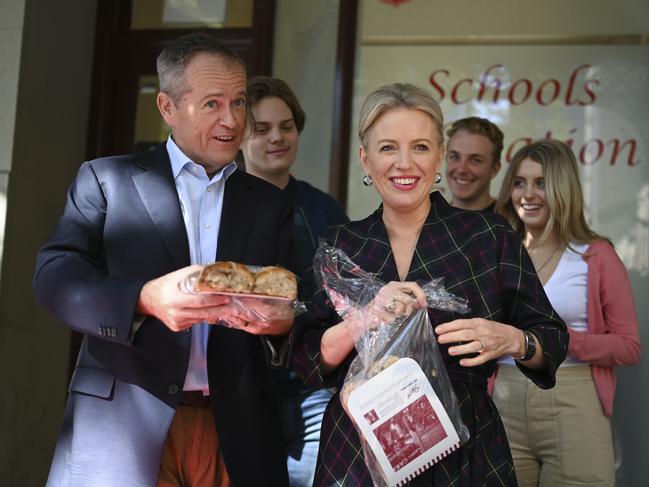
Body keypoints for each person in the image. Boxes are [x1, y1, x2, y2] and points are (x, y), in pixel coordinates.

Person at [33, 33, 293, 487]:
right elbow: (54, 278)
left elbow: (297, 307)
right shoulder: (107, 180)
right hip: (124, 427)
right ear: (167, 107)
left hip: (237, 431)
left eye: (238, 102)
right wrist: (144, 299)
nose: (231, 120)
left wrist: (280, 323)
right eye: (212, 104)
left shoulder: (269, 204)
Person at [289, 83, 568, 486]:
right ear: (365, 160)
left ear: (439, 154)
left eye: (420, 147)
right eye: (388, 148)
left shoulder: (487, 236)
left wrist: (512, 340)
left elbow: (552, 339)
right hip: (358, 451)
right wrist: (363, 318)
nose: (405, 163)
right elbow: (307, 357)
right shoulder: (341, 246)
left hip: (464, 447)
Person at [493, 139, 642, 487]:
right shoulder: (497, 251)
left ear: (562, 187)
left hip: (573, 399)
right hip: (502, 399)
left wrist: (556, 340)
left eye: (541, 182)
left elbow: (629, 346)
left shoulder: (595, 254)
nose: (527, 194)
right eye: (519, 182)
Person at [239, 76, 349, 487]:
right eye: (262, 129)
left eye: (286, 126)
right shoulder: (220, 206)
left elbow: (348, 295)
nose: (277, 138)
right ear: (239, 136)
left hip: (313, 389)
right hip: (241, 392)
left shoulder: (323, 209)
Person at [445, 116, 504, 211]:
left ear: (495, 169)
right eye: (455, 157)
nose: (461, 169)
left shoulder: (510, 223)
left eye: (475, 160)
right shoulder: (427, 220)